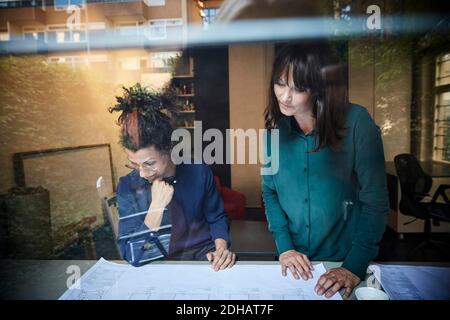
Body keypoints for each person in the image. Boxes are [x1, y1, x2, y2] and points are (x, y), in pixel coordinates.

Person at [262, 42, 389, 299]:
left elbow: (375, 202)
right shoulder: (273, 133)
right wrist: (285, 248)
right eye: (280, 83)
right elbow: (270, 192)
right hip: (294, 265)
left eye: (299, 88)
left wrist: (353, 266)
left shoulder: (357, 123)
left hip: (344, 262)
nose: (285, 96)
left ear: (318, 89)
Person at [109, 84, 236, 271]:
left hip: (204, 258)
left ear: (168, 149)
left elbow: (216, 217)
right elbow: (132, 255)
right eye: (134, 164)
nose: (142, 173)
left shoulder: (199, 171)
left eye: (149, 163)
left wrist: (221, 249)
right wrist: (156, 208)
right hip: (156, 265)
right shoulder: (127, 186)